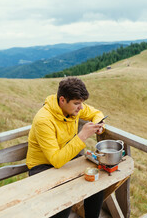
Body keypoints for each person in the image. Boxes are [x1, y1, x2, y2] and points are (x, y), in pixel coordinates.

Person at [26, 77, 106, 218]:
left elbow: (96, 113)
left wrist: (99, 124)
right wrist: (82, 136)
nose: (80, 108)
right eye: (76, 103)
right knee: (64, 200)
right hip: (42, 167)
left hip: (68, 159)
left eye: (81, 103)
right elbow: (56, 160)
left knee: (96, 182)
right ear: (62, 100)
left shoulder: (73, 108)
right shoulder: (44, 120)